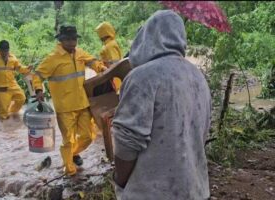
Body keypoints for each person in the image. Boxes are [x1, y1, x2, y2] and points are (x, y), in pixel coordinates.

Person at [111, 10, 211, 200]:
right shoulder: (198, 77)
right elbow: (201, 133)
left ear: (146, 37)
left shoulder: (142, 77)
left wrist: (121, 181)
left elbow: (126, 142)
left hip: (151, 193)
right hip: (196, 190)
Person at [33, 25, 107, 176]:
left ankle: (73, 154)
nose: (73, 42)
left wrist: (102, 68)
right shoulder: (52, 58)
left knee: (89, 136)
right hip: (65, 107)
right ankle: (70, 172)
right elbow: (37, 76)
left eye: (74, 38)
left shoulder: (79, 53)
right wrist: (39, 90)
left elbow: (92, 61)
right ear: (61, 40)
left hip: (82, 102)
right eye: (69, 39)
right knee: (68, 140)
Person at [95, 22, 123, 94]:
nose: (99, 36)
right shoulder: (110, 44)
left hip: (114, 78)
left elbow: (115, 66)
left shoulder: (109, 46)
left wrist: (118, 88)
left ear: (103, 33)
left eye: (99, 33)